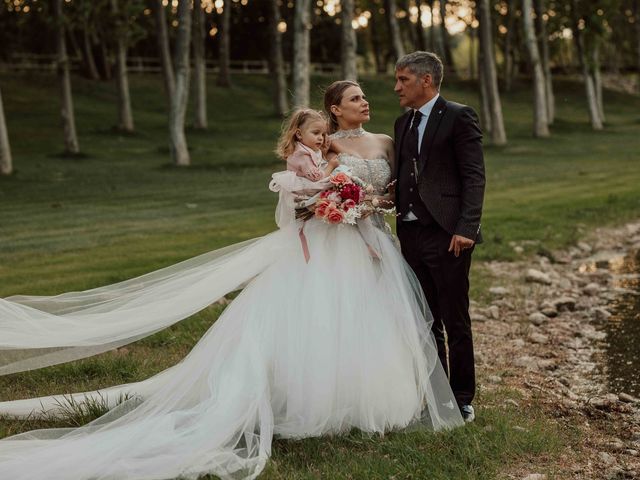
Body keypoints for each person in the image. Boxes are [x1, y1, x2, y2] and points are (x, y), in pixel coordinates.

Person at [0, 81, 463, 480]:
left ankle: (382, 399)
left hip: (372, 240)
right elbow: (304, 187)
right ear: (334, 109)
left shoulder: (386, 140)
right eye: (356, 98)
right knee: (323, 314)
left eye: (365, 96)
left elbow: (396, 188)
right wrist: (332, 203)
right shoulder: (326, 146)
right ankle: (315, 400)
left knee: (375, 316)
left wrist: (371, 204)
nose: (367, 101)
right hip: (332, 240)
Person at [392, 51, 486, 423]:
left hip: (448, 236)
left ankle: (462, 397)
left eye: (403, 80)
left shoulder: (459, 116)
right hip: (410, 235)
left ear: (425, 80)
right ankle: (436, 393)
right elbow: (405, 175)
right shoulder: (402, 124)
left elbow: (474, 176)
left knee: (454, 319)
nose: (396, 87)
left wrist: (466, 228)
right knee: (425, 319)